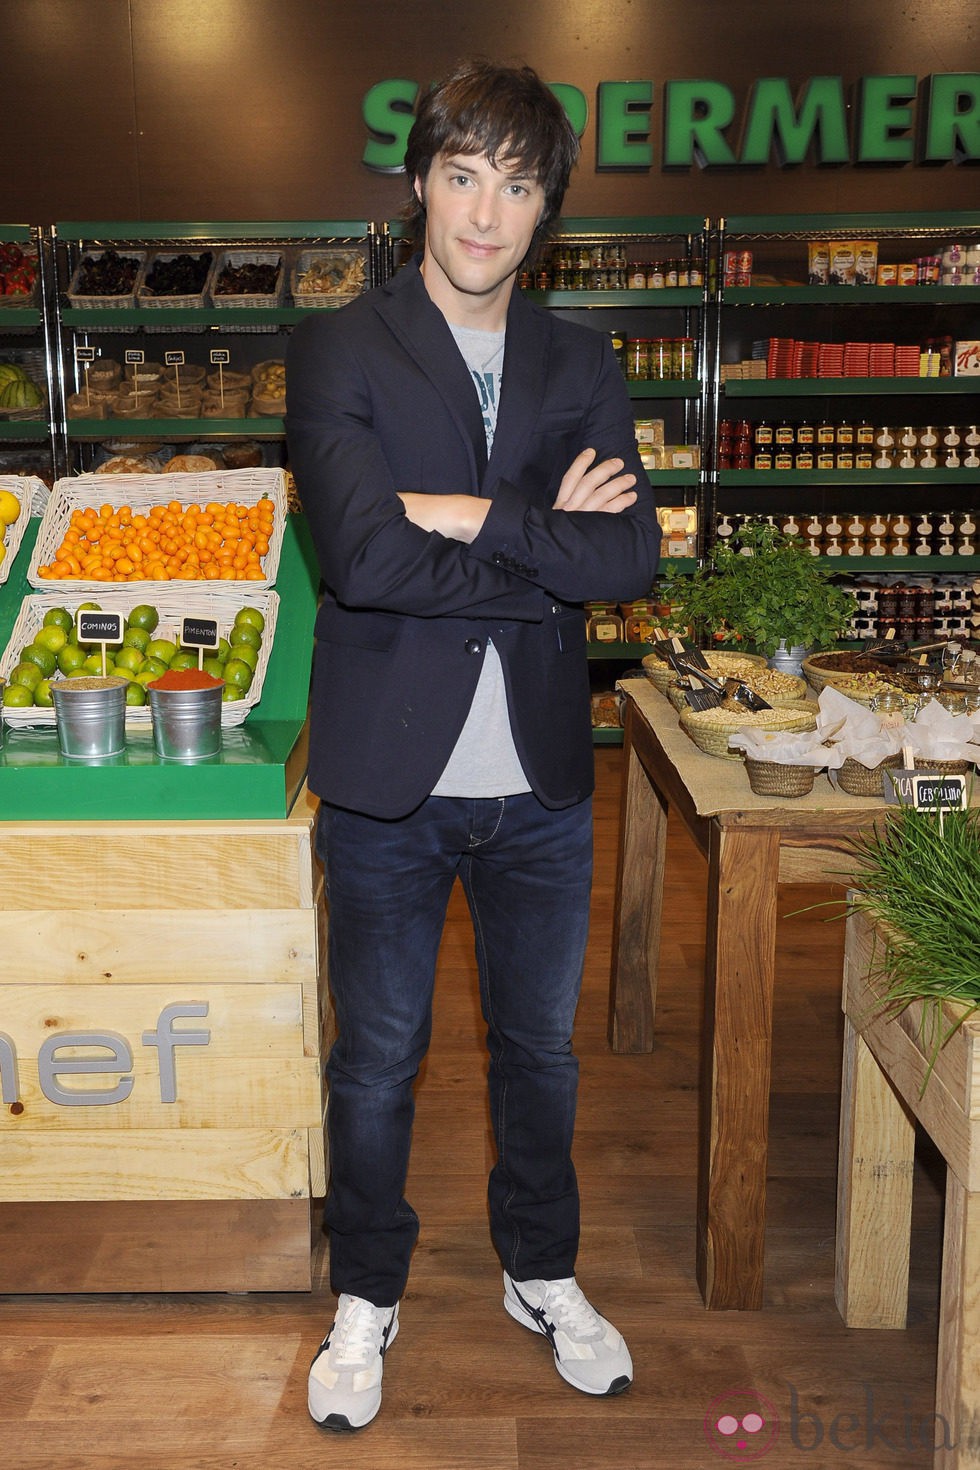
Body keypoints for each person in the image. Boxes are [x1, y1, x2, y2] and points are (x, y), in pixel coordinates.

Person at [285, 57, 660, 1433]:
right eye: (462, 176)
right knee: (376, 1058)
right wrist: (538, 538)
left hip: (546, 783)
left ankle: (540, 1270)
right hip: (390, 780)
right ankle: (366, 1293)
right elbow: (369, 560)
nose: (485, 213)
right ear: (420, 185)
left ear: (547, 205)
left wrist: (473, 512)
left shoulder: (583, 357)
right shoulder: (342, 347)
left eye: (515, 183)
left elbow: (629, 554)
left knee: (540, 1054)